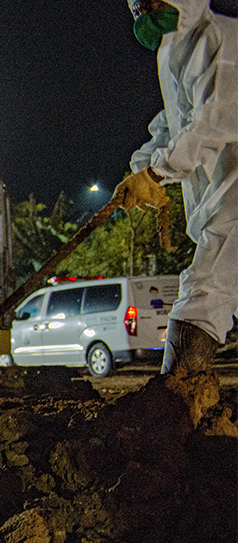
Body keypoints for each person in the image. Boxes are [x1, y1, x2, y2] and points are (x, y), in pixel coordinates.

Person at [113, 0, 237, 381]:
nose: (144, 12)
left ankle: (174, 405)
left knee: (205, 293)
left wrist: (157, 173)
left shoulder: (220, 38)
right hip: (218, 195)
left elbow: (214, 121)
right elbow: (173, 122)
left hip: (232, 198)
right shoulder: (172, 49)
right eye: (138, 5)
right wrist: (142, 170)